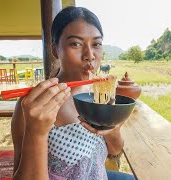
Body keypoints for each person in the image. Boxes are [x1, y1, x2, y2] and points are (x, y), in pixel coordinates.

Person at [11, 6, 135, 180]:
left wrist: (112, 130)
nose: (89, 55)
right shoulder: (35, 105)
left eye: (96, 44)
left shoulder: (101, 96)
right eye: (76, 44)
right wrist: (36, 132)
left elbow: (114, 151)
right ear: (55, 50)